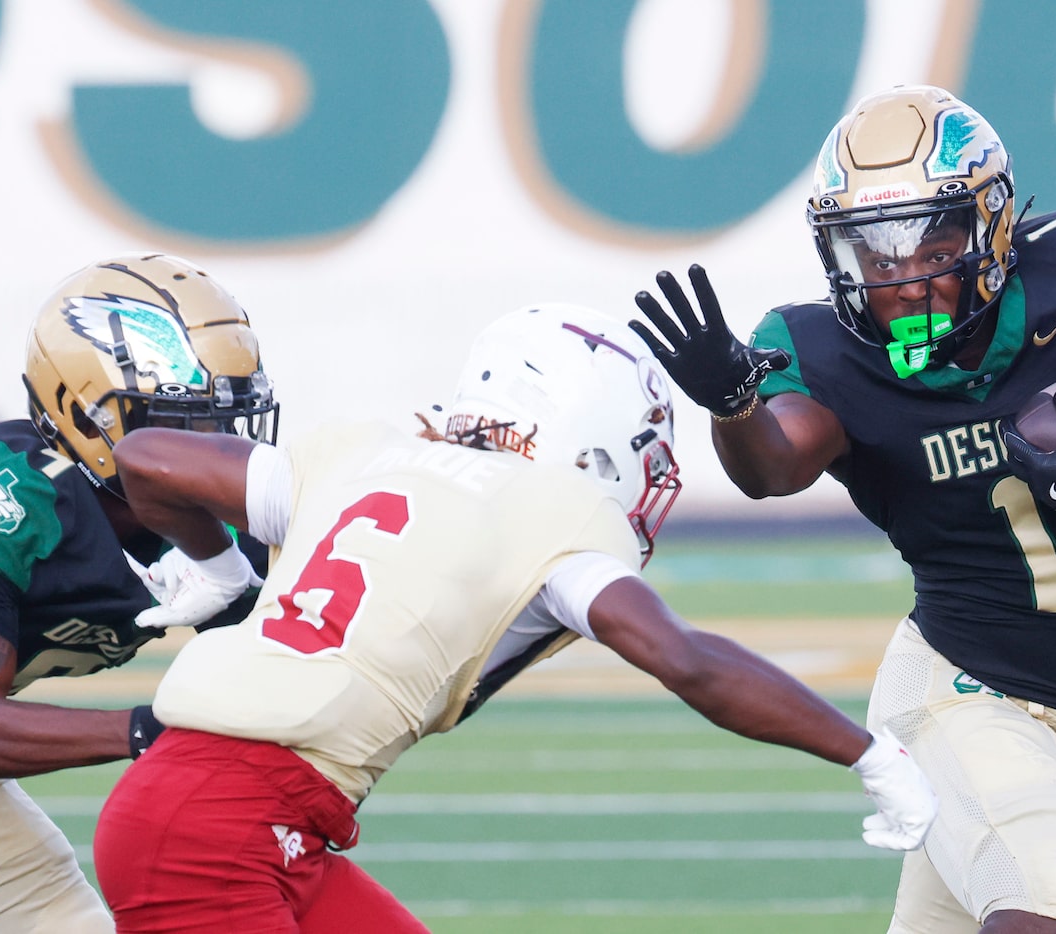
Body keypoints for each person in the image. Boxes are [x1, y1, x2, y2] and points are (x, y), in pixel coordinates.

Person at [630, 84, 1056, 934]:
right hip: (964, 701)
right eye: (872, 253)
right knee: (1046, 916)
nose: (902, 275)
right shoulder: (821, 353)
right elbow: (773, 467)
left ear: (990, 225)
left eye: (928, 238)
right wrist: (733, 402)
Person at [90, 302, 939, 933]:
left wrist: (214, 570)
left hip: (238, 819)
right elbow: (687, 660)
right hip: (217, 833)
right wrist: (865, 751)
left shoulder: (363, 453)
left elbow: (145, 457)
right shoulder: (554, 516)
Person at [0, 252, 279, 932]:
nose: (216, 444)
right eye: (188, 420)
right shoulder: (0, 495)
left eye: (226, 420)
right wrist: (146, 729)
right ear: (90, 419)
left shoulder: (219, 522)